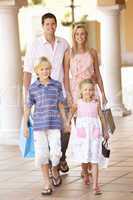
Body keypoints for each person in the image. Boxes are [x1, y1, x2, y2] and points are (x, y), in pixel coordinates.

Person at [23, 13, 72, 173]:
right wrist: (26, 94)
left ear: (56, 25)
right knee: (46, 130)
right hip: (42, 95)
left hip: (61, 93)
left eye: (53, 24)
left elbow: (67, 70)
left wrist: (70, 93)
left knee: (66, 128)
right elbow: (28, 71)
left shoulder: (63, 43)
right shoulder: (35, 44)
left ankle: (61, 157)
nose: (50, 27)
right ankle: (52, 164)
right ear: (42, 26)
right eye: (47, 24)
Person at [64, 23, 107, 181]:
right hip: (77, 94)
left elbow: (98, 73)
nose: (80, 37)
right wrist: (68, 94)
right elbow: (65, 77)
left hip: (91, 92)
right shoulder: (69, 54)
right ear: (74, 36)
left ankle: (90, 165)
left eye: (82, 34)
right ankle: (84, 168)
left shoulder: (93, 52)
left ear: (86, 36)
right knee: (81, 133)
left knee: (93, 130)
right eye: (77, 34)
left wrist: (103, 92)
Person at [23, 57, 69, 195]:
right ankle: (47, 183)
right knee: (42, 154)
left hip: (54, 124)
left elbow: (61, 104)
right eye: (42, 69)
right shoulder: (33, 88)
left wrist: (66, 122)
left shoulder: (56, 85)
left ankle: (54, 169)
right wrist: (25, 125)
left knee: (56, 153)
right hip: (39, 126)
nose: (44, 71)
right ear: (37, 71)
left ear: (51, 70)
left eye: (47, 68)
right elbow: (27, 107)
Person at [68, 79, 109, 195]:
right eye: (85, 89)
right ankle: (85, 173)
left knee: (94, 157)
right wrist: (68, 122)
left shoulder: (96, 102)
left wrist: (105, 131)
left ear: (94, 91)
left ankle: (96, 185)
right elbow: (71, 112)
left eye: (91, 89)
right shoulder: (78, 103)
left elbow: (101, 117)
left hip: (95, 133)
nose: (88, 92)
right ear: (81, 91)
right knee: (83, 156)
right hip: (82, 134)